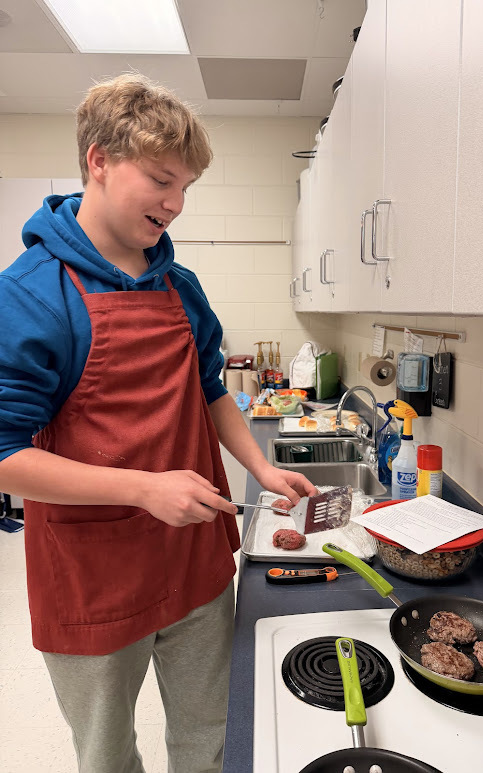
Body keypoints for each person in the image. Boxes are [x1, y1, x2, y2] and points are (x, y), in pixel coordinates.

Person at [0, 73, 317, 773]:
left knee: (212, 741)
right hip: (93, 576)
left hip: (196, 563)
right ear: (100, 162)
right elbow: (4, 456)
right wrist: (142, 488)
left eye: (186, 188)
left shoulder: (179, 287)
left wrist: (261, 468)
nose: (175, 204)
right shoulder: (28, 295)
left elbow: (210, 391)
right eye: (161, 180)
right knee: (108, 757)